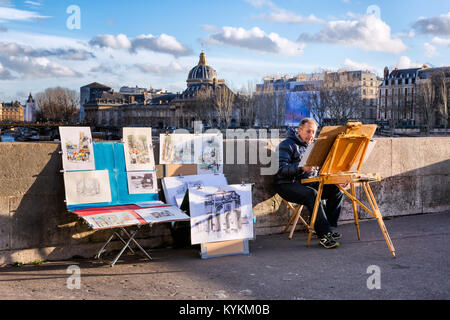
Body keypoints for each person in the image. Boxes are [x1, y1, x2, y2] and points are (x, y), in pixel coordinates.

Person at [274, 118, 344, 249]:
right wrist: (301, 168)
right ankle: (325, 235)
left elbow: (322, 168)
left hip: (307, 182)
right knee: (312, 194)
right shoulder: (287, 144)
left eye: (313, 132)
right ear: (299, 130)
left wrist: (336, 178)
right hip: (286, 184)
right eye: (308, 131)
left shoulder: (314, 145)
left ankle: (327, 227)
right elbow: (280, 169)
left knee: (336, 190)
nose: (311, 135)